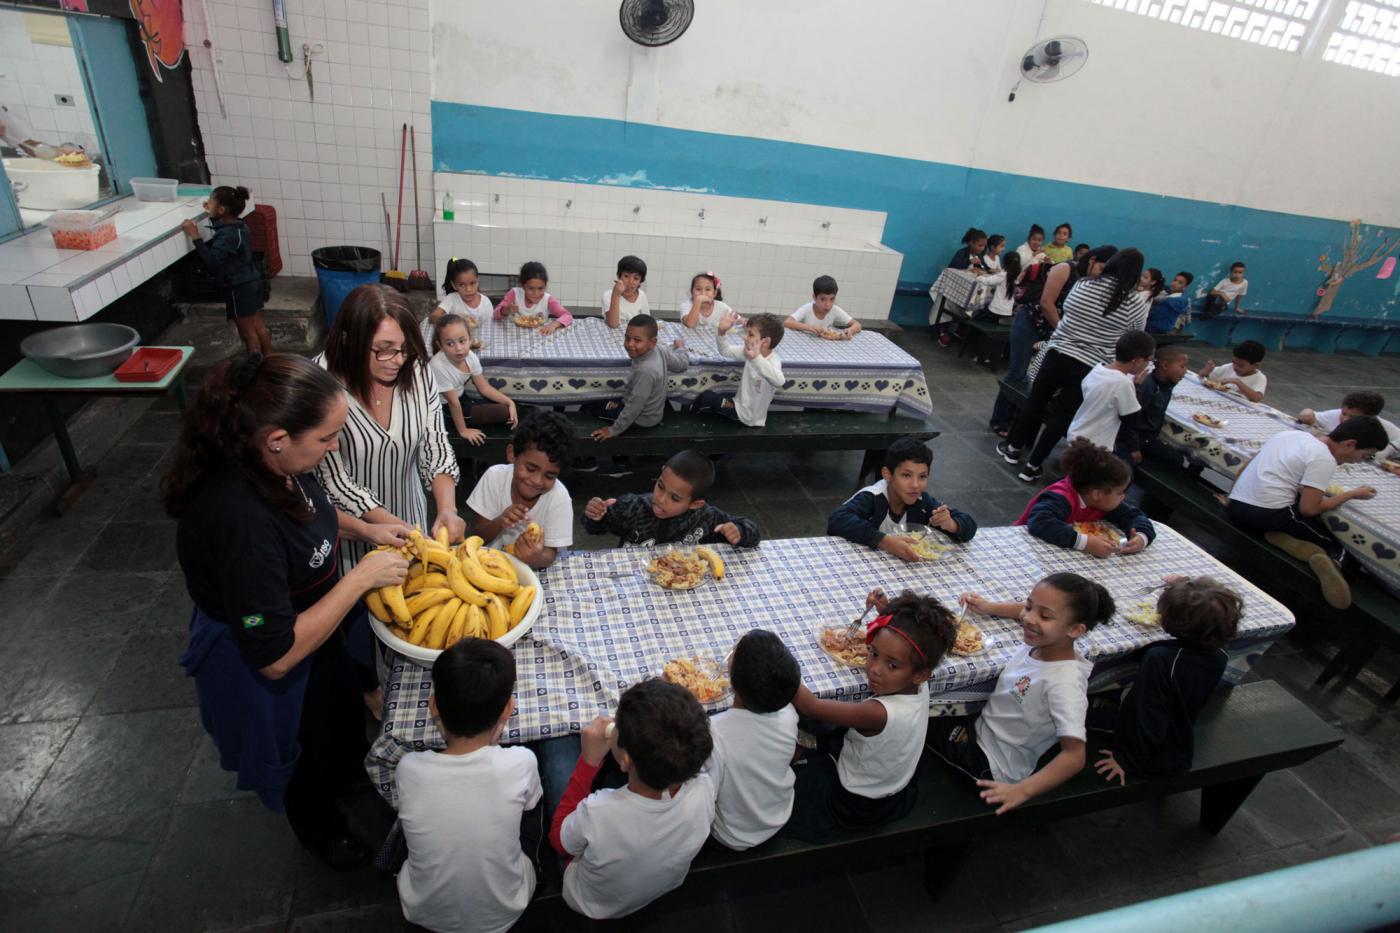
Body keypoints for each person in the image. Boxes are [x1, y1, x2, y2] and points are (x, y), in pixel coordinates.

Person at [167, 353, 410, 867]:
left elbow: (311, 514)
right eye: (326, 438)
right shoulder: (239, 522)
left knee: (342, 717)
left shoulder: (277, 465)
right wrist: (362, 578)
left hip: (317, 633)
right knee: (306, 755)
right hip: (276, 655)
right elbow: (274, 655)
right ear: (277, 439)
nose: (335, 446)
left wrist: (365, 530)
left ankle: (351, 778)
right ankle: (323, 834)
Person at [315, 285, 462, 707]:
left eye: (404, 350)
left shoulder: (416, 374)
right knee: (356, 621)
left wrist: (446, 509)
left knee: (410, 614)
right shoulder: (322, 385)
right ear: (349, 340)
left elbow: (435, 446)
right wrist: (384, 527)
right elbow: (334, 480)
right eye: (383, 350)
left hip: (411, 514)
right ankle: (368, 685)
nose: (396, 361)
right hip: (348, 532)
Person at [395, 638, 544, 933]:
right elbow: (530, 808)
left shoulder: (408, 768)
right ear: (508, 710)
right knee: (530, 816)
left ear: (433, 705)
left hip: (422, 911)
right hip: (507, 911)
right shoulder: (522, 762)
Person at [783, 589, 956, 841]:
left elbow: (811, 706)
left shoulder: (876, 713)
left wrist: (773, 664)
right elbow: (904, 639)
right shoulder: (919, 681)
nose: (874, 669)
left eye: (891, 665)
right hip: (893, 787)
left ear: (921, 673)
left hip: (853, 803)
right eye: (873, 653)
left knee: (789, 768)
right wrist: (886, 612)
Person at [931, 573, 1112, 812]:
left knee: (920, 719)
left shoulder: (1064, 685)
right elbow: (1024, 612)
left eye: (1044, 615)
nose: (1028, 618)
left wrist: (1022, 790)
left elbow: (1074, 757)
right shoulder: (1043, 641)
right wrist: (989, 607)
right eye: (1029, 606)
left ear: (1075, 630)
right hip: (983, 728)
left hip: (991, 767)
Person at [549, 680, 715, 920]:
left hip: (590, 900)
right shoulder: (705, 787)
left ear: (625, 760)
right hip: (665, 882)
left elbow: (559, 842)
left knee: (558, 750)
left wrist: (588, 763)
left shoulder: (598, 812)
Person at [998, 247, 1151, 482]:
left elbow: (1066, 310)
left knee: (1036, 401)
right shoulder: (1134, 303)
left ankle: (1013, 449)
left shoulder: (1086, 284)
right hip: (1089, 364)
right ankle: (1032, 466)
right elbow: (1134, 336)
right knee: (1061, 415)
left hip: (1058, 352)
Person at [1226, 417, 1385, 608]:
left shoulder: (1291, 434)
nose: (1360, 462)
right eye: (1365, 456)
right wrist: (1351, 494)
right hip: (1265, 514)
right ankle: (1333, 562)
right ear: (1350, 444)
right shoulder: (1323, 457)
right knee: (1341, 544)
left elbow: (1246, 466)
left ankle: (1284, 538)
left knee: (1300, 518)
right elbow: (1309, 509)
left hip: (1236, 507)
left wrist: (1230, 496)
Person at [1095, 578, 1241, 784]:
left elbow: (1147, 712)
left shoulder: (1161, 659)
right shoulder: (1218, 653)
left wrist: (1127, 759)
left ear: (1174, 622)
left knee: (1071, 716)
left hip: (1154, 753)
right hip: (1179, 726)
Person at [988, 245, 1115, 437]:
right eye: (1100, 268)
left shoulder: (1093, 281)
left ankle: (1020, 420)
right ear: (1092, 260)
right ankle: (1000, 419)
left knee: (1037, 377)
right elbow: (1046, 302)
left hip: (1055, 331)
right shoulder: (1065, 269)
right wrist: (1063, 331)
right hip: (1030, 323)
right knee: (1018, 372)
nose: (1101, 274)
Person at [708, 630, 802, 850]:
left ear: (732, 679)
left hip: (731, 833)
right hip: (777, 814)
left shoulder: (714, 731)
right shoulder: (788, 714)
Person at [828, 435, 978, 561]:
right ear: (887, 474)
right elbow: (837, 520)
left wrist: (951, 524)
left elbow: (970, 528)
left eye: (922, 477)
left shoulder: (923, 502)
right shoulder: (872, 497)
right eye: (906, 475)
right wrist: (884, 541)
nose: (915, 485)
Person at [584, 449, 760, 548]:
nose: (660, 499)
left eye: (675, 498)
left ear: (695, 504)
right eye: (660, 486)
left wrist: (739, 531)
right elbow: (594, 528)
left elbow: (753, 533)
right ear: (661, 472)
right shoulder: (634, 507)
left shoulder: (707, 517)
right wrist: (597, 515)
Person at [464, 410, 575, 568]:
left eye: (549, 476)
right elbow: (476, 536)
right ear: (512, 454)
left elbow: (550, 554)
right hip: (489, 566)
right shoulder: (494, 478)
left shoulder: (558, 497)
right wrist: (499, 522)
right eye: (530, 468)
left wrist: (535, 557)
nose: (536, 481)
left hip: (535, 572)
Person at [1014, 437, 1155, 557]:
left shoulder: (1102, 502)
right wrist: (1085, 543)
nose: (1123, 497)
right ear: (1097, 494)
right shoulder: (1061, 497)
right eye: (1120, 492)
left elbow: (1136, 516)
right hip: (1021, 549)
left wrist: (1141, 537)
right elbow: (1040, 523)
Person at [180, 185, 268, 356]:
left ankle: (255, 368)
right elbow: (224, 228)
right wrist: (213, 213)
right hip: (252, 280)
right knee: (258, 326)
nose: (208, 205)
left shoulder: (228, 235)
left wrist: (194, 235)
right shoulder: (239, 226)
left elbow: (212, 261)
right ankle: (270, 358)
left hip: (239, 286)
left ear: (221, 209)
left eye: (211, 203)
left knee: (247, 332)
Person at [588, 314, 688, 442]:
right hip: (653, 412)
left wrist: (613, 430)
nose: (630, 344)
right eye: (627, 338)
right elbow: (682, 365)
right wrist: (680, 348)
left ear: (652, 342)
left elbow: (635, 406)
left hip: (641, 420)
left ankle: (614, 457)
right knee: (607, 398)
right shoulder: (659, 350)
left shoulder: (645, 370)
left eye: (637, 340)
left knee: (591, 406)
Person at [429, 314, 517, 445]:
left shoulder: (470, 356)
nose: (458, 348)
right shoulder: (437, 365)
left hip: (462, 399)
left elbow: (484, 388)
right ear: (440, 345)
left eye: (462, 341)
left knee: (506, 406)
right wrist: (463, 430)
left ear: (470, 340)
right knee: (503, 412)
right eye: (449, 343)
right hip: (444, 410)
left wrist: (510, 403)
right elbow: (453, 403)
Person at [1065, 331, 1156, 453]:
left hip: (1077, 432)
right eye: (1149, 360)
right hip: (1095, 444)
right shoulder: (1123, 383)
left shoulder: (1098, 369)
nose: (1148, 365)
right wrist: (1137, 386)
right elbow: (1132, 417)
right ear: (1138, 361)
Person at [690, 312, 785, 427]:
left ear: (765, 341)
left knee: (706, 398)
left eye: (750, 334)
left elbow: (779, 381)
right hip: (737, 405)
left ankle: (688, 426)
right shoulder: (749, 351)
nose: (745, 338)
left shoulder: (772, 360)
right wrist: (721, 332)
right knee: (707, 398)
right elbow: (725, 351)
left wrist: (756, 358)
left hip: (746, 417)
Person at [1115, 345, 1191, 466]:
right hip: (1138, 439)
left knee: (1177, 457)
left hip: (1150, 436)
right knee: (1176, 460)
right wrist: (1134, 448)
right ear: (1165, 366)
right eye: (1182, 366)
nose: (1185, 371)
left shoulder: (1167, 384)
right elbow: (1130, 419)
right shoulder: (1148, 386)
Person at [1299, 391, 1400, 461]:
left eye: (1352, 417)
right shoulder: (1336, 415)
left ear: (1369, 418)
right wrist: (1307, 414)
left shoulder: (1376, 429)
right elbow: (1311, 414)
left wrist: (1389, 449)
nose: (1345, 419)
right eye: (1344, 413)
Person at [421, 257, 490, 349]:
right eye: (462, 285)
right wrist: (453, 322)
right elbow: (433, 317)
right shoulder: (452, 299)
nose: (468, 289)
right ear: (454, 285)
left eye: (472, 283)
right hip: (456, 345)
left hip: (479, 343)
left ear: (478, 281)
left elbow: (491, 326)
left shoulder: (485, 302)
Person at [938, 228, 989, 346]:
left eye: (983, 246)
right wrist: (969, 264)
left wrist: (981, 268)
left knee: (978, 304)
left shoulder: (980, 256)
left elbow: (984, 268)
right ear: (971, 243)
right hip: (956, 288)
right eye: (979, 245)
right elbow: (952, 268)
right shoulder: (961, 253)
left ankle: (961, 330)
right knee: (951, 304)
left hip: (973, 290)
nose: (982, 248)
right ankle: (944, 329)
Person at [494, 261, 573, 334]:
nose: (536, 293)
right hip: (513, 335)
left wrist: (554, 325)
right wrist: (506, 310)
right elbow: (495, 315)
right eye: (531, 289)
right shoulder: (514, 294)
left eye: (540, 288)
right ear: (522, 286)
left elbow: (567, 316)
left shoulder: (548, 300)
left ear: (546, 286)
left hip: (540, 335)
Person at [784, 275, 862, 339]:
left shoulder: (835, 310)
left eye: (832, 299)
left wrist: (850, 330)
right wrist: (810, 327)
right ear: (814, 297)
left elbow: (857, 324)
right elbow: (787, 322)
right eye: (823, 299)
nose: (828, 304)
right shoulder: (808, 308)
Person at [1200, 340, 1268, 403]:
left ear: (1255, 365)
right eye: (1234, 362)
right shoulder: (1230, 367)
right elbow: (1205, 376)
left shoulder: (1259, 378)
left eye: (1241, 365)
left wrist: (1238, 382)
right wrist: (1206, 372)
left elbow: (1257, 398)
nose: (1235, 367)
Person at [603, 254, 650, 329]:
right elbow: (613, 324)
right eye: (626, 276)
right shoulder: (608, 295)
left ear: (640, 282)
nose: (630, 282)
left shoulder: (642, 296)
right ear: (619, 276)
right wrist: (616, 295)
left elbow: (647, 322)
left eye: (636, 278)